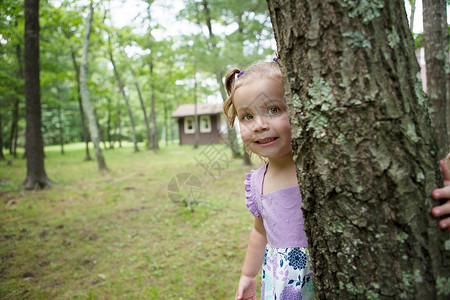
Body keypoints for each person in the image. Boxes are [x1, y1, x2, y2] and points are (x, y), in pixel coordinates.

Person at [223, 60, 450, 300]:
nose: (259, 126)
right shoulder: (258, 181)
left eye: (274, 110)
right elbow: (260, 233)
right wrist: (248, 275)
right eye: (247, 116)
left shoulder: (324, 166)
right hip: (284, 286)